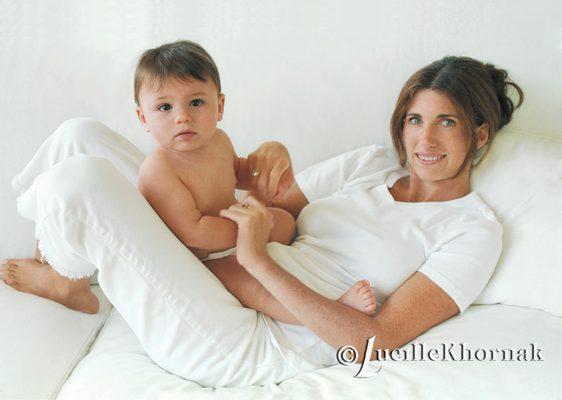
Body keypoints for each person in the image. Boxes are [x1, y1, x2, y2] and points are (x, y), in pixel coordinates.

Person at [1, 55, 523, 386]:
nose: (424, 141)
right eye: (415, 120)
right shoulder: (369, 165)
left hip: (248, 338)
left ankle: (70, 270)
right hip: (222, 266)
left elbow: (374, 340)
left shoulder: (472, 230)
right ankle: (69, 262)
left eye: (446, 123)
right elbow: (271, 196)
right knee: (79, 135)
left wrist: (256, 259)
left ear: (478, 136)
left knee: (84, 181)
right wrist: (268, 156)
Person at [134, 41, 377, 321]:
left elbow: (236, 172)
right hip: (203, 258)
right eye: (164, 107)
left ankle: (300, 270)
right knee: (249, 285)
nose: (182, 117)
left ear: (220, 106)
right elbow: (193, 232)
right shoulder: (158, 169)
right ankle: (329, 309)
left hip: (236, 231)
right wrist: (249, 232)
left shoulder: (218, 140)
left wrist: (267, 164)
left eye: (196, 102)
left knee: (286, 220)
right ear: (143, 117)